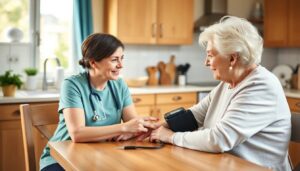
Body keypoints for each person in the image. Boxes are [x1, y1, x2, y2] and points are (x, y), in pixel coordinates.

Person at [150, 16, 291, 171]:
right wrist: (156, 128)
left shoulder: (261, 86)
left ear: (232, 58)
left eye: (210, 55)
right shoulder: (228, 83)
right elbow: (195, 116)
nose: (206, 62)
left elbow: (219, 139)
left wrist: (170, 137)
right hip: (224, 164)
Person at [40, 33, 158, 171]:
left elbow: (133, 125)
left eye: (122, 58)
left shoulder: (120, 85)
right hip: (60, 159)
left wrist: (140, 127)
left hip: (101, 155)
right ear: (93, 62)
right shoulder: (72, 85)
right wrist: (124, 128)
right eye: (114, 59)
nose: (121, 65)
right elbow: (77, 134)